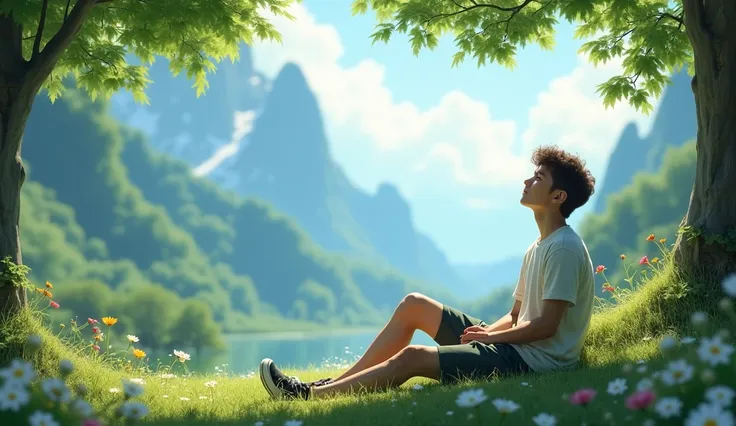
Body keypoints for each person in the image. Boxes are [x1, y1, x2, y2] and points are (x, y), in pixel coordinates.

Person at [259, 145, 597, 400]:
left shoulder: (563, 247)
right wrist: (483, 331)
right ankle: (334, 384)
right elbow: (516, 315)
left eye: (538, 177)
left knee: (412, 357)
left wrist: (489, 339)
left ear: (558, 196)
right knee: (414, 305)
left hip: (535, 363)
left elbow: (545, 326)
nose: (527, 180)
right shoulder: (538, 246)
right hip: (515, 348)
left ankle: (307, 396)